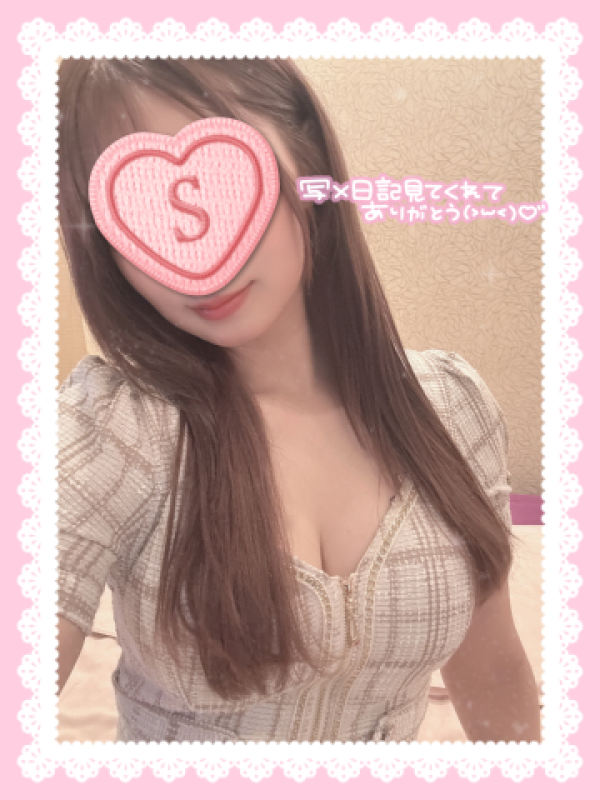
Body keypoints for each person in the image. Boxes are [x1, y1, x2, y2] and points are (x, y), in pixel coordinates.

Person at [56, 57, 541, 744]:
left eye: (225, 183)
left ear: (307, 160)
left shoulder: (453, 409)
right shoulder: (110, 429)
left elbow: (492, 671)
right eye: (135, 213)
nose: (199, 261)